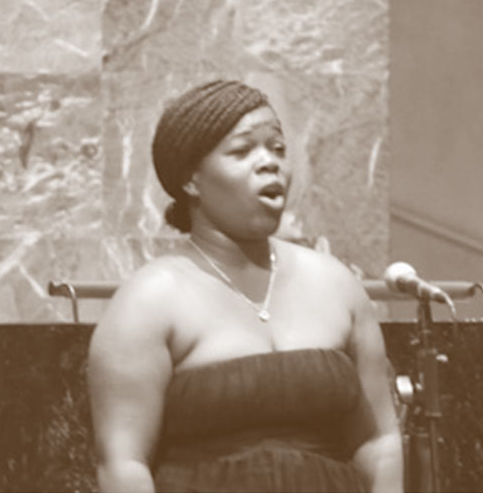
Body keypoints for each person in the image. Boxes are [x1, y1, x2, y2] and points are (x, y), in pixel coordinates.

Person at [88, 80, 402, 493]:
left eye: (277, 148)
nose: (269, 163)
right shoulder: (151, 299)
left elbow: (379, 441)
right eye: (242, 151)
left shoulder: (335, 282)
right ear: (191, 181)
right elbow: (123, 464)